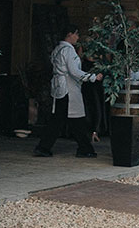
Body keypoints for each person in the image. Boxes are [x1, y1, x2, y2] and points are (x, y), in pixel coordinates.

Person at [34, 25, 101, 158]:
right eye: (76, 34)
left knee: (63, 119)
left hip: (60, 87)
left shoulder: (57, 49)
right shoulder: (69, 51)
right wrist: (93, 77)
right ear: (70, 34)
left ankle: (46, 147)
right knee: (72, 118)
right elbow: (74, 71)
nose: (77, 37)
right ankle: (84, 148)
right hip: (69, 88)